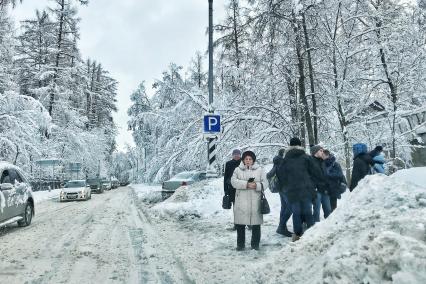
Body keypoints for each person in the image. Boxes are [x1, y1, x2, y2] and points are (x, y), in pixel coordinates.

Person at [276, 137, 319, 242]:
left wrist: (286, 186)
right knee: (308, 211)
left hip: (292, 191)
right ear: (300, 146)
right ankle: (312, 234)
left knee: (296, 212)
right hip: (306, 189)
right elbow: (315, 172)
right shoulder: (306, 157)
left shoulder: (285, 160)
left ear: (290, 146)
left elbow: (281, 175)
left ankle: (298, 235)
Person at [231, 150, 267, 250]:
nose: (248, 161)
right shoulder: (237, 170)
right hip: (241, 201)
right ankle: (240, 245)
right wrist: (246, 184)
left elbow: (266, 183)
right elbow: (233, 182)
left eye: (250, 159)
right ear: (243, 160)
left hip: (255, 201)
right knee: (240, 225)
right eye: (246, 159)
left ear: (253, 160)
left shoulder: (260, 170)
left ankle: (255, 245)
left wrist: (257, 185)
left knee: (256, 225)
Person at [267, 148, 293, 237]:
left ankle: (282, 227)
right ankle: (281, 227)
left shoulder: (277, 162)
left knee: (284, 207)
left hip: (281, 189)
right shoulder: (283, 163)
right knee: (290, 207)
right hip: (286, 189)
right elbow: (286, 177)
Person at [310, 145, 331, 222]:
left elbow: (325, 174)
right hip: (316, 190)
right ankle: (315, 228)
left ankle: (329, 226)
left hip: (325, 189)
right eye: (320, 151)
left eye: (322, 151)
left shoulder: (322, 161)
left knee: (328, 210)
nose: (322, 152)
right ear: (315, 152)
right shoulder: (310, 161)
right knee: (316, 211)